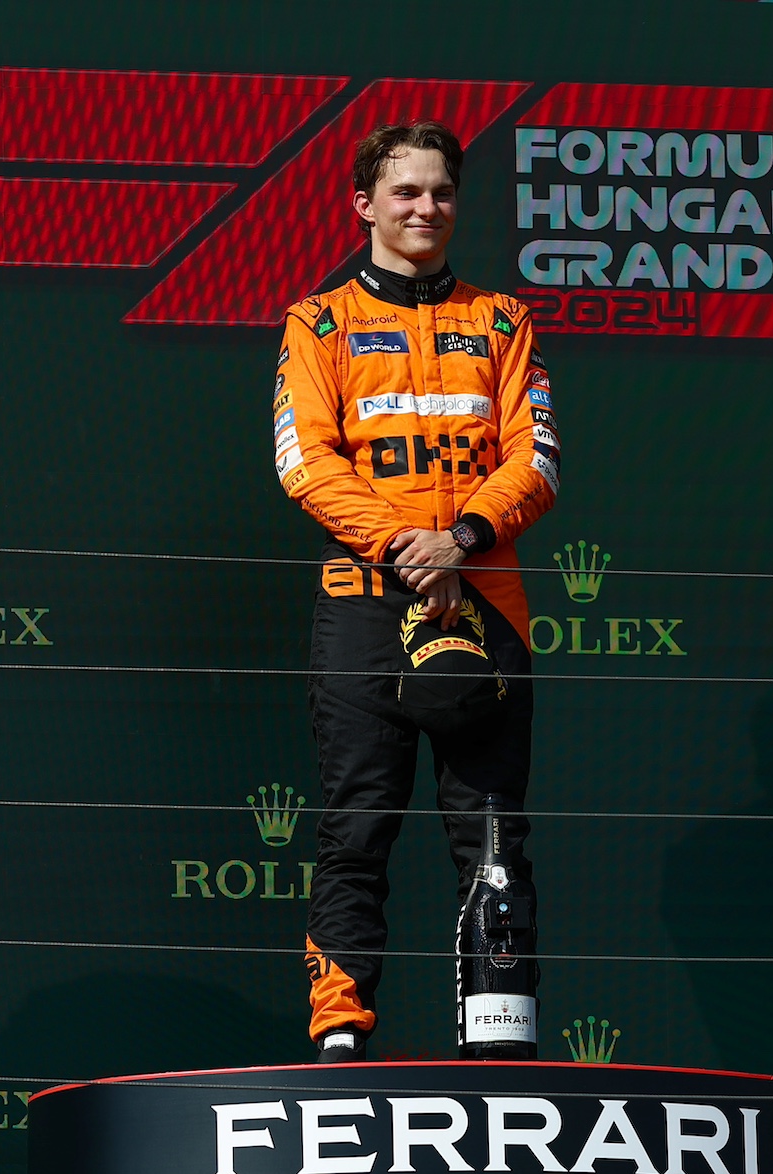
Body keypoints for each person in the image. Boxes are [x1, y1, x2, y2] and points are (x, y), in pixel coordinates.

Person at [274, 121, 561, 1061]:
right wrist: (408, 544)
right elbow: (303, 461)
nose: (425, 209)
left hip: (486, 599)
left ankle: (500, 1039)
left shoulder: (503, 319)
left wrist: (462, 539)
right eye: (404, 193)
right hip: (365, 597)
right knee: (357, 826)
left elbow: (539, 459)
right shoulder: (318, 321)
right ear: (363, 205)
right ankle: (341, 1035)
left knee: (492, 837)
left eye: (440, 192)